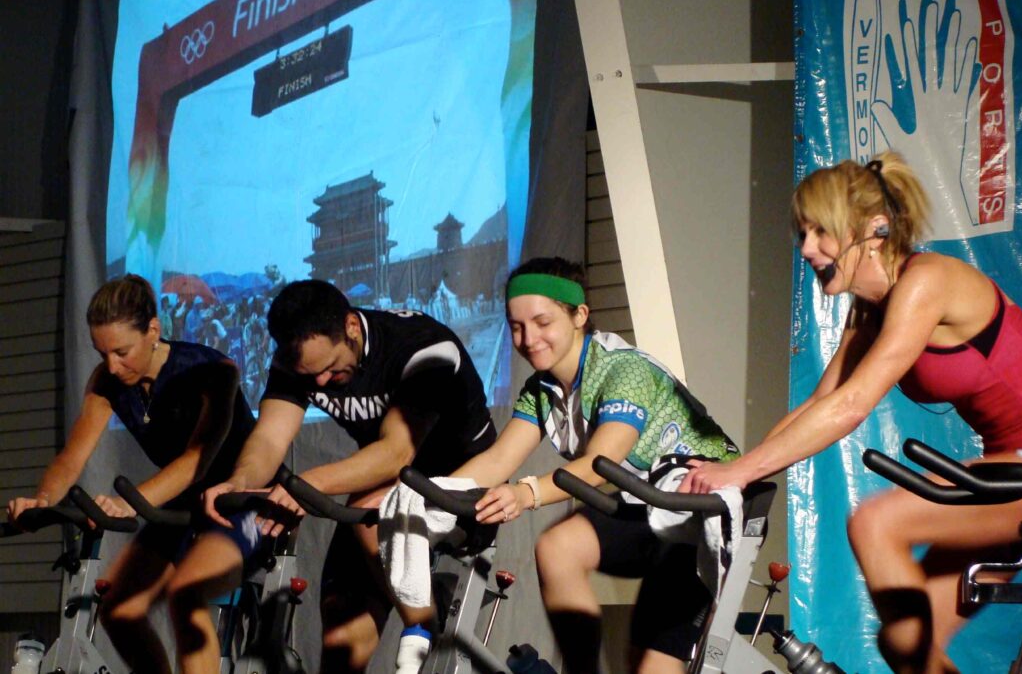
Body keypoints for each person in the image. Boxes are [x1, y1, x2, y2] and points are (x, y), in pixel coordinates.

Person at [679, 152, 1022, 674]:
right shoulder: (869, 308)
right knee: (906, 643)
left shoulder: (927, 281)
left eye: (821, 232)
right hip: (1013, 468)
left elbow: (851, 406)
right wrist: (738, 476)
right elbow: (821, 403)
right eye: (802, 234)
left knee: (877, 523)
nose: (806, 249)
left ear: (874, 229)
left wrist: (736, 472)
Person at [448, 257, 739, 674]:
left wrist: (526, 493)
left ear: (580, 315)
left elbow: (600, 464)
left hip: (704, 515)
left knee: (652, 669)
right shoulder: (542, 389)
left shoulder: (625, 370)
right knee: (557, 547)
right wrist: (427, 497)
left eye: (542, 322)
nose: (529, 338)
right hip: (649, 508)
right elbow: (497, 459)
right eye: (516, 326)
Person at [202, 279, 495, 672]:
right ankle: (423, 607)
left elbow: (396, 453)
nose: (320, 383)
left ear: (351, 328)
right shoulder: (299, 360)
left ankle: (424, 621)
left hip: (465, 487)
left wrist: (307, 486)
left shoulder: (424, 346)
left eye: (328, 369)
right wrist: (240, 481)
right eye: (311, 375)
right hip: (383, 492)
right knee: (340, 635)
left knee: (368, 505)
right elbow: (271, 436)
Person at [6, 274, 257, 674]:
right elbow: (72, 458)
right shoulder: (107, 382)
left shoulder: (210, 370)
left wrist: (126, 503)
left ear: (153, 330)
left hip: (240, 497)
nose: (111, 365)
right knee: (119, 608)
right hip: (181, 504)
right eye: (101, 352)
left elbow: (198, 460)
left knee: (186, 595)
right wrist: (41, 501)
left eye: (121, 351)